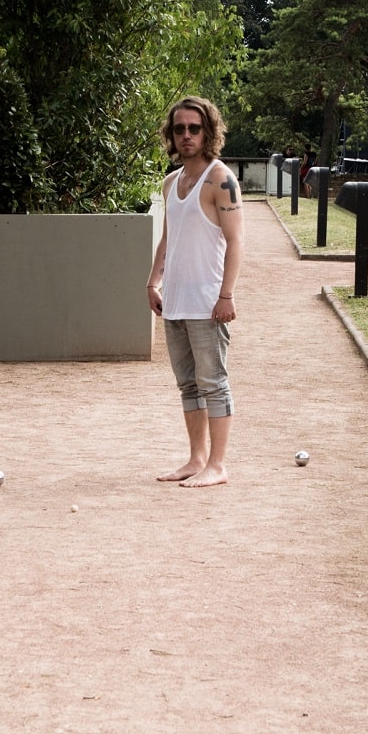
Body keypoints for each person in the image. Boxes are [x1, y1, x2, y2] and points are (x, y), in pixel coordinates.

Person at [146, 96, 244, 488]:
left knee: (213, 382)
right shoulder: (171, 181)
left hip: (207, 303)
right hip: (175, 300)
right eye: (179, 129)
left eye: (194, 128)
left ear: (208, 132)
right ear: (171, 135)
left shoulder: (222, 179)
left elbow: (236, 241)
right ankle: (196, 459)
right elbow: (168, 238)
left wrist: (226, 295)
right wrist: (153, 281)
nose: (186, 135)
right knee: (188, 384)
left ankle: (217, 465)